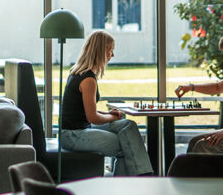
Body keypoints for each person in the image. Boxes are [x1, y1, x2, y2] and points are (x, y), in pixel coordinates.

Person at [59, 30, 154, 176]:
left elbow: (86, 112)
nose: (112, 55)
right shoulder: (88, 79)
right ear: (101, 51)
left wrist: (109, 114)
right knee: (126, 146)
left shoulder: (79, 72)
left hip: (77, 130)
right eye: (111, 50)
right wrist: (111, 117)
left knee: (128, 125)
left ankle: (143, 174)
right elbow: (93, 118)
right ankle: (137, 179)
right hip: (73, 136)